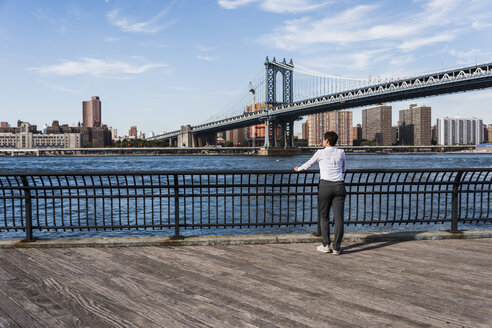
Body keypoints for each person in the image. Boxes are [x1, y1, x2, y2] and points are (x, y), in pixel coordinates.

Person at [294, 131, 346, 255]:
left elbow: (309, 164)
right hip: (339, 185)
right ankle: (337, 248)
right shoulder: (341, 152)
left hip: (325, 186)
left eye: (323, 140)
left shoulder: (320, 152)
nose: (322, 141)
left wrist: (298, 169)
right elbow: (344, 168)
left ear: (327, 141)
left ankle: (326, 245)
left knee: (324, 216)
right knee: (339, 219)